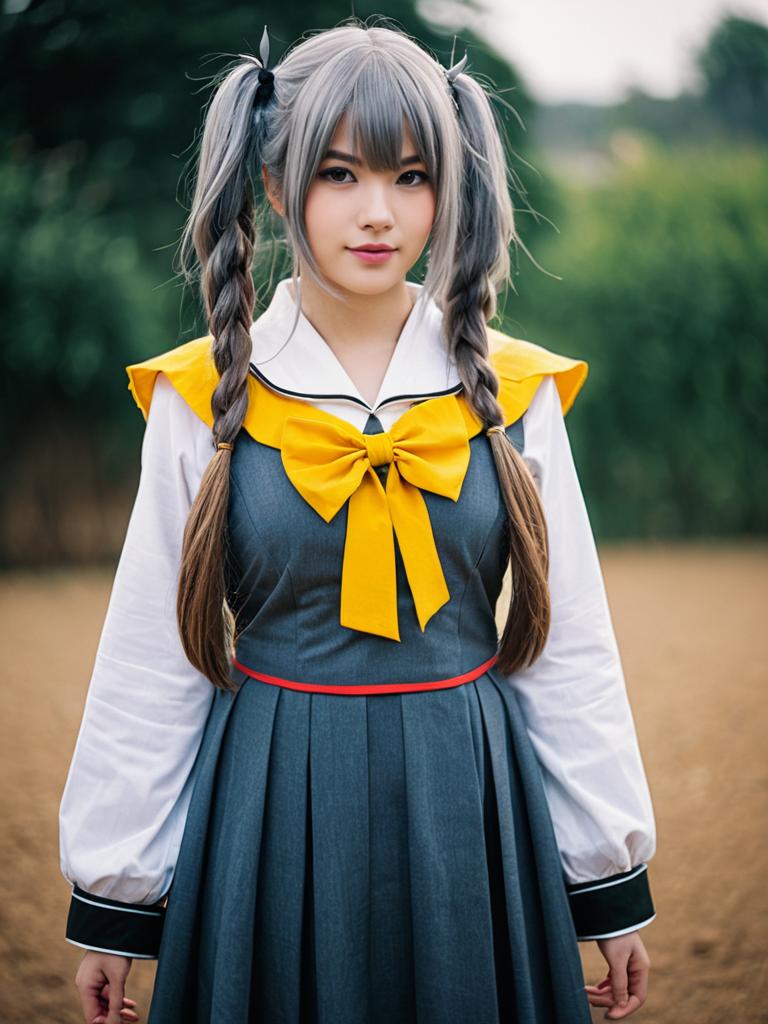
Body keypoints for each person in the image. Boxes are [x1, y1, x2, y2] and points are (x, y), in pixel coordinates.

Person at [58, 18, 657, 1024]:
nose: (378, 212)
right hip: (271, 801)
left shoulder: (516, 391)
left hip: (474, 799)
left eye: (412, 176)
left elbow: (573, 648)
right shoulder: (199, 395)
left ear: (448, 188)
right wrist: (116, 896)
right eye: (341, 174)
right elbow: (149, 658)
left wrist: (606, 877)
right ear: (277, 182)